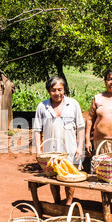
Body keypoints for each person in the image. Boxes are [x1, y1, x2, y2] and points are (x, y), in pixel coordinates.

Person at [33, 76, 85, 205]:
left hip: (70, 149)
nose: (57, 93)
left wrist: (80, 147)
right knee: (53, 178)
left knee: (69, 177)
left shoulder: (73, 104)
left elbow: (81, 127)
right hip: (50, 151)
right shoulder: (42, 106)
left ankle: (68, 203)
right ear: (48, 91)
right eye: (53, 90)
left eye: (60, 89)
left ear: (64, 89)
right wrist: (38, 150)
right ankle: (57, 203)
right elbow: (37, 130)